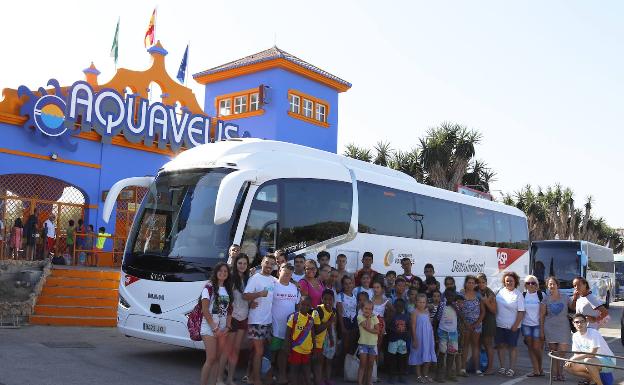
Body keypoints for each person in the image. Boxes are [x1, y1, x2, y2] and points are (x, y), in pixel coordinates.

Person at [243, 255, 278, 385]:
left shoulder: (273, 280)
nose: (269, 266)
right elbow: (245, 295)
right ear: (262, 263)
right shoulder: (255, 278)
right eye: (267, 263)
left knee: (259, 351)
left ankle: (252, 377)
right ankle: (256, 380)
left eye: (272, 264)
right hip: (256, 321)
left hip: (267, 321)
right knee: (259, 352)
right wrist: (258, 294)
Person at [199, 262, 233, 385]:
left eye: (226, 271)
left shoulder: (228, 289)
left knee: (218, 359)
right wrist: (214, 328)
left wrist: (228, 326)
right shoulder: (208, 287)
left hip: (222, 329)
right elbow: (205, 310)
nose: (223, 273)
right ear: (216, 272)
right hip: (209, 328)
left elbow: (229, 310)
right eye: (221, 270)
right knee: (211, 358)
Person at [564, 313, 616, 385]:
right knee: (568, 367)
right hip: (591, 361)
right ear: (573, 324)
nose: (579, 324)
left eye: (582, 321)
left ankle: (599, 383)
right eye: (577, 322)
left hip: (608, 361)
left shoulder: (593, 332)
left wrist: (573, 359)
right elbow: (577, 354)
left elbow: (592, 354)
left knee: (588, 360)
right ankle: (593, 379)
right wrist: (571, 360)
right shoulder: (575, 335)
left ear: (586, 323)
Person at [271, 263, 300, 385]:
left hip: (288, 329)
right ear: (279, 272)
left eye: (289, 274)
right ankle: (269, 376)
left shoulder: (294, 288)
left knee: (283, 354)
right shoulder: (272, 285)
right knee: (271, 354)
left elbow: (298, 306)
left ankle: (282, 376)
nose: (287, 275)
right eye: (285, 272)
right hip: (273, 328)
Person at [225, 253, 250, 385]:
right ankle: (220, 377)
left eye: (244, 263)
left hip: (243, 316)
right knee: (228, 349)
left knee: (236, 349)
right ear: (236, 264)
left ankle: (230, 377)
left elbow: (248, 297)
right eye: (240, 263)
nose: (242, 266)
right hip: (232, 316)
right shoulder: (231, 278)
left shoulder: (248, 279)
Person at [495, 271, 525, 378]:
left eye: (511, 281)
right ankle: (502, 367)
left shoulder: (518, 295)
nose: (509, 282)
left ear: (515, 281)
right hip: (499, 325)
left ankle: (512, 368)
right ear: (504, 281)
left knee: (512, 347)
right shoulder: (500, 292)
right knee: (501, 346)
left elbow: (521, 312)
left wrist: (515, 325)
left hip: (513, 327)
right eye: (507, 281)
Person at [543, 276, 572, 382]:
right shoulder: (545, 298)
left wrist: (577, 296)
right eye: (549, 284)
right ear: (547, 286)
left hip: (563, 327)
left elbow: (573, 307)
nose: (551, 286)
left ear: (557, 285)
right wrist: (542, 330)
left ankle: (561, 372)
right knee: (554, 353)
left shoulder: (565, 297)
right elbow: (541, 315)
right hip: (550, 328)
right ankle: (555, 374)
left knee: (562, 353)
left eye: (553, 284)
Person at [284, 295, 315, 385]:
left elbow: (312, 334)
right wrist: (287, 346)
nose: (305, 307)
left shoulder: (311, 319)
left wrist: (314, 347)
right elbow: (287, 333)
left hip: (307, 350)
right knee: (294, 369)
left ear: (310, 306)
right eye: (303, 304)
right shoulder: (294, 317)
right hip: (296, 349)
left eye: (307, 305)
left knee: (306, 370)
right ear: (299, 305)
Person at [460, 275, 485, 376]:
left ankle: (477, 369)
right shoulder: (461, 294)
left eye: (472, 283)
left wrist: (477, 323)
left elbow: (483, 312)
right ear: (465, 283)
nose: (470, 284)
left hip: (476, 325)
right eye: (468, 282)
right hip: (465, 324)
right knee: (465, 345)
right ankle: (463, 368)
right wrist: (466, 323)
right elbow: (459, 310)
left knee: (475, 346)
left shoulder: (478, 295)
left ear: (475, 284)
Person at [521, 275, 546, 377]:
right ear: (525, 285)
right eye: (528, 283)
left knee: (537, 348)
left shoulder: (541, 295)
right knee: (530, 347)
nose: (530, 285)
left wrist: (542, 330)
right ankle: (536, 370)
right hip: (526, 325)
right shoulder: (522, 295)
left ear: (537, 285)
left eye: (533, 283)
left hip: (537, 325)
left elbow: (543, 314)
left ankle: (540, 367)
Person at [410, 293, 437, 383]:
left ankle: (425, 374)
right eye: (420, 302)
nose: (422, 304)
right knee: (418, 355)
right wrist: (414, 339)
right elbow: (413, 326)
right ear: (416, 302)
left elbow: (429, 324)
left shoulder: (427, 312)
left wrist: (431, 336)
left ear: (426, 303)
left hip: (428, 337)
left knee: (428, 355)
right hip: (419, 337)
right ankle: (418, 376)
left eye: (423, 302)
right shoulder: (414, 312)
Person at [436, 289, 461, 382]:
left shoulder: (456, 305)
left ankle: (449, 373)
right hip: (443, 332)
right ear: (445, 297)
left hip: (453, 333)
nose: (450, 298)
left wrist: (454, 306)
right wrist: (435, 333)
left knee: (451, 353)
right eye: (448, 296)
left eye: (452, 296)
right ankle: (439, 375)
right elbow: (437, 319)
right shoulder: (442, 305)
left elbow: (460, 316)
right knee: (442, 353)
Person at [313, 289, 336, 385]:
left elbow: (329, 326)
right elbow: (317, 329)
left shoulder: (333, 311)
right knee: (319, 361)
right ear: (321, 299)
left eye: (330, 299)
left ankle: (327, 379)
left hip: (326, 338)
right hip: (317, 340)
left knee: (328, 360)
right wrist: (330, 321)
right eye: (325, 299)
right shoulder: (317, 311)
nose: (327, 302)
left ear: (333, 300)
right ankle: (318, 380)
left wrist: (331, 337)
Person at [476, 273, 497, 376]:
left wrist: (486, 302)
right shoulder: (475, 291)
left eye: (483, 282)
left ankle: (490, 368)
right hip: (477, 321)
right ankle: (479, 367)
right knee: (477, 345)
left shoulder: (490, 293)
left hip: (488, 321)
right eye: (479, 282)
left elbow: (494, 310)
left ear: (486, 282)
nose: (481, 284)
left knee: (488, 345)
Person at [387, 298, 410, 383]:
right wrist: (394, 330)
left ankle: (402, 375)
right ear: (394, 306)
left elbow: (408, 327)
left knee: (402, 358)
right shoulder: (392, 316)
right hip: (393, 340)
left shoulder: (406, 316)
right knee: (392, 358)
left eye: (401, 306)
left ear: (404, 306)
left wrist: (406, 333)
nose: (399, 307)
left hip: (403, 341)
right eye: (397, 306)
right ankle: (392, 375)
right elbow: (387, 327)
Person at [357, 300, 379, 385]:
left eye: (370, 309)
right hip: (363, 344)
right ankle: (360, 382)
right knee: (362, 364)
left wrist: (374, 330)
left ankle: (368, 381)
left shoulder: (375, 317)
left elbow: (377, 331)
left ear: (372, 310)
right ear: (362, 309)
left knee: (370, 365)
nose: (367, 310)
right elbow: (367, 326)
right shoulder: (359, 317)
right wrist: (369, 318)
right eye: (366, 308)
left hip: (373, 345)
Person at [337, 275, 358, 356]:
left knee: (352, 344)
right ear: (342, 285)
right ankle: (342, 364)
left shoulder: (355, 296)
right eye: (346, 284)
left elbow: (356, 310)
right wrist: (342, 327)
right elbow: (339, 313)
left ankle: (350, 365)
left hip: (354, 322)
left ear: (352, 284)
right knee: (345, 345)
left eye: (350, 283)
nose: (348, 285)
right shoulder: (340, 296)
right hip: (345, 322)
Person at [371, 280, 393, 358]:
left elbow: (392, 310)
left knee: (377, 347)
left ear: (382, 289)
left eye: (377, 287)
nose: (375, 289)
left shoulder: (385, 300)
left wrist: (385, 321)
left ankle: (374, 367)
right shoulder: (369, 299)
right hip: (369, 325)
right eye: (374, 287)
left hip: (380, 326)